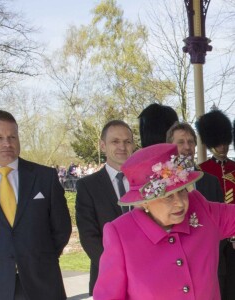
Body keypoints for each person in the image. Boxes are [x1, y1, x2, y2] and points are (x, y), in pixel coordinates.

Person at [0, 110, 72, 300]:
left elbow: (61, 228)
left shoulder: (44, 177)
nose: (7, 143)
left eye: (12, 137)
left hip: (42, 281)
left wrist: (39, 256)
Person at [94, 143, 235, 300]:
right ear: (144, 201)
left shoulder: (200, 208)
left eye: (181, 191)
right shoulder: (120, 234)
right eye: (168, 196)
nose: (181, 203)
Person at [166, 121, 227, 297]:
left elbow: (220, 223)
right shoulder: (162, 186)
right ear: (169, 146)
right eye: (181, 142)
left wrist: (206, 251)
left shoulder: (210, 181)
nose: (187, 147)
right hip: (176, 272)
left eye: (191, 142)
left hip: (212, 268)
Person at [76, 120, 134, 296]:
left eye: (127, 141)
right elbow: (88, 236)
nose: (122, 147)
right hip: (107, 276)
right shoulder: (87, 186)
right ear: (103, 145)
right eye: (115, 141)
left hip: (148, 274)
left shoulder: (147, 181)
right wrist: (117, 267)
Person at [196, 109, 235, 299]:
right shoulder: (202, 171)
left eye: (225, 141)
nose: (223, 146)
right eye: (218, 142)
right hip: (214, 240)